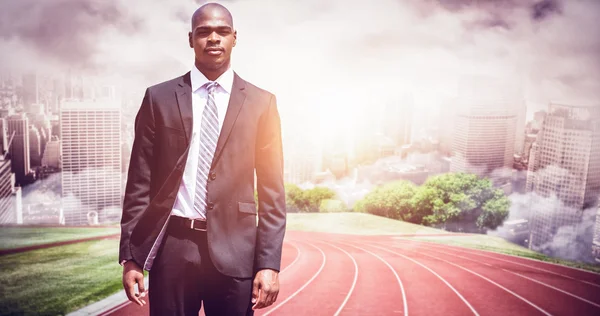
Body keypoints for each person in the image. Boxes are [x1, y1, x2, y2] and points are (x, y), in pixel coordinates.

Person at [118, 2, 286, 315]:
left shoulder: (262, 104)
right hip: (174, 248)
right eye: (204, 31)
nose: (213, 38)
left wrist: (268, 264)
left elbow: (273, 194)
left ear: (235, 38)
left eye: (222, 31)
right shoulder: (159, 98)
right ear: (191, 38)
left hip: (237, 250)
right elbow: (139, 183)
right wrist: (131, 257)